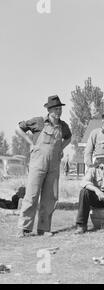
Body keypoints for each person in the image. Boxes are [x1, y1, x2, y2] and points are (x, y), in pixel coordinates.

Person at [16, 95, 72, 237]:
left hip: (54, 166)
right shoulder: (39, 122)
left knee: (50, 197)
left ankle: (44, 228)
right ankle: (24, 228)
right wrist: (30, 143)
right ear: (49, 110)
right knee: (32, 194)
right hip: (37, 163)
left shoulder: (63, 126)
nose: (58, 111)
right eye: (55, 109)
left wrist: (61, 148)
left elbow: (69, 137)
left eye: (60, 109)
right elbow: (19, 129)